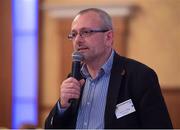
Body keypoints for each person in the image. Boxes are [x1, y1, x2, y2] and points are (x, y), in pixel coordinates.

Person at [45, 8, 173, 129]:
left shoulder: (140, 76)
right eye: (73, 34)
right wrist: (62, 106)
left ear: (108, 37)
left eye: (85, 32)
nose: (77, 40)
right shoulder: (74, 78)